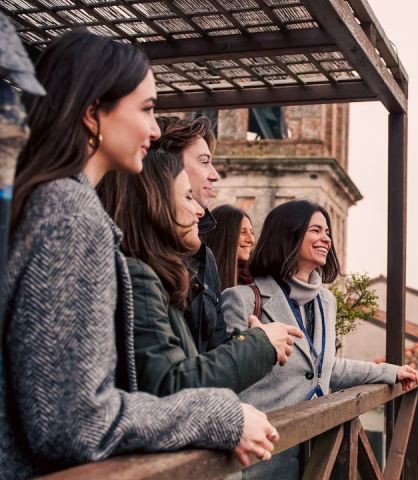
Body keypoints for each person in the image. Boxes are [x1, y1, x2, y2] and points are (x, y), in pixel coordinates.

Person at [0, 31, 277, 478]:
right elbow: (75, 424)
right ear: (93, 113)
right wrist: (219, 414)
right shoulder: (71, 215)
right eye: (146, 109)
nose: (154, 128)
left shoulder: (46, 202)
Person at [222, 199, 418, 479]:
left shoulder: (326, 301)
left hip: (318, 455)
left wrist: (390, 372)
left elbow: (324, 368)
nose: (326, 238)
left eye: (327, 231)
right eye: (316, 230)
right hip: (261, 461)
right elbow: (226, 379)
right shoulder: (241, 300)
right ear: (289, 235)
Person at [98, 150, 301, 396]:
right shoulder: (139, 276)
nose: (200, 211)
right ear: (156, 204)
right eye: (187, 197)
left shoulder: (156, 276)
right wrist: (260, 344)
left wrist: (252, 340)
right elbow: (169, 385)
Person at [151, 116, 227, 352]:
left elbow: (216, 345)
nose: (215, 175)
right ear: (168, 166)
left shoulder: (205, 256)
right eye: (204, 162)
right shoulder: (134, 253)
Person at [203, 204, 256, 289]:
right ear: (223, 236)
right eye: (242, 232)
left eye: (252, 232)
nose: (251, 240)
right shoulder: (201, 279)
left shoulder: (258, 280)